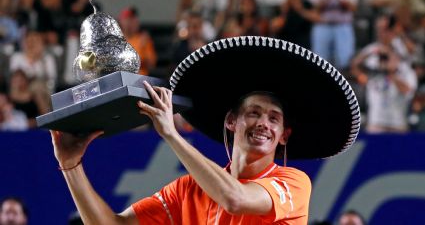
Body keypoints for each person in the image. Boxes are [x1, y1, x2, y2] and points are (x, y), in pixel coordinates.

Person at [50, 36, 360, 224]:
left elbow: (234, 199)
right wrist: (71, 167)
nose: (263, 123)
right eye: (253, 113)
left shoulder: (293, 183)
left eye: (274, 119)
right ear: (231, 121)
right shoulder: (188, 190)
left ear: (284, 135)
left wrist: (171, 134)